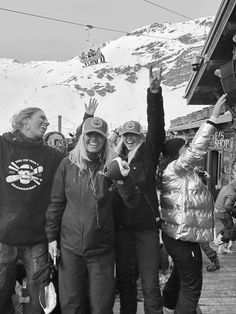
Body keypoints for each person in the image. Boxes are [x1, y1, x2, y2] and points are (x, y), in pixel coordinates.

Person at [45, 115, 140, 314]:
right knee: (72, 304)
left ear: (105, 139)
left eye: (99, 136)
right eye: (90, 135)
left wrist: (122, 179)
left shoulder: (113, 164)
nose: (94, 139)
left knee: (102, 306)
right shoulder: (67, 164)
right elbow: (56, 203)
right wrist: (51, 238)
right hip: (70, 248)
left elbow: (132, 202)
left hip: (101, 250)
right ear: (82, 137)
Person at [158, 94, 227, 314]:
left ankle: (168, 303)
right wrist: (213, 118)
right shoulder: (176, 168)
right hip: (183, 238)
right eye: (183, 147)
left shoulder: (176, 171)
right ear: (176, 153)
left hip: (179, 234)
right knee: (192, 286)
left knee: (181, 274)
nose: (187, 148)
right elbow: (197, 149)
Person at [0, 107, 64, 313]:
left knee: (38, 291)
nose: (47, 122)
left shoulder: (53, 156)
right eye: (42, 118)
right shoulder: (2, 146)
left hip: (37, 235)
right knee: (1, 288)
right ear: (25, 121)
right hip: (3, 234)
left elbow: (76, 162)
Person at [114, 65, 165, 314]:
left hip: (145, 228)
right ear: (122, 137)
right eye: (126, 134)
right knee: (125, 281)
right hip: (122, 229)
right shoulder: (114, 159)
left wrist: (154, 93)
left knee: (150, 284)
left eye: (134, 134)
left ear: (141, 136)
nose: (130, 137)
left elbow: (157, 127)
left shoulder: (149, 153)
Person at [214, 158, 236, 254]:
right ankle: (221, 246)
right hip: (223, 212)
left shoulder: (227, 187)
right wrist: (233, 212)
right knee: (230, 229)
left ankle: (219, 240)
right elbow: (228, 206)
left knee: (226, 227)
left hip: (218, 211)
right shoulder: (233, 192)